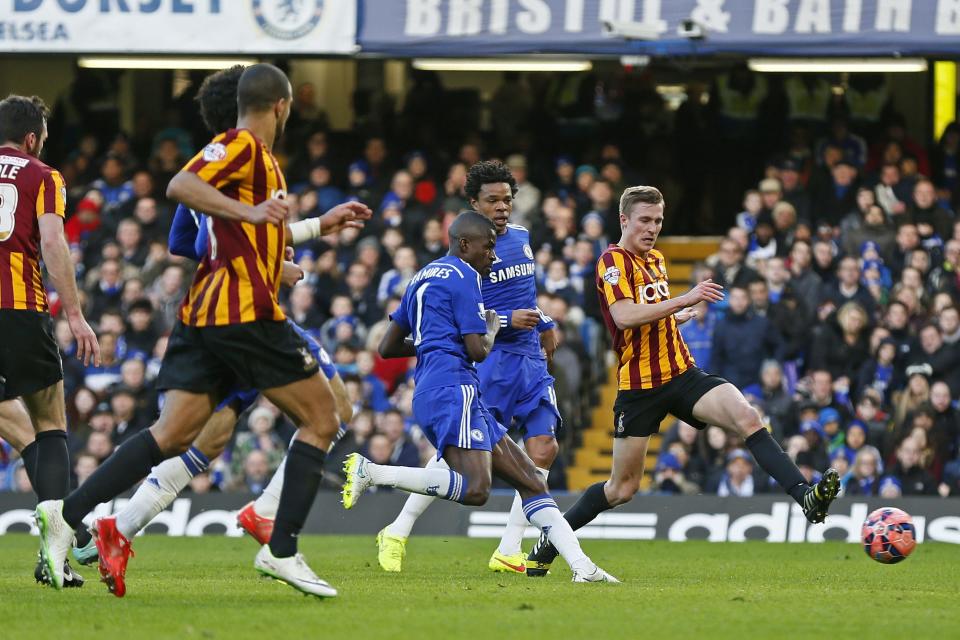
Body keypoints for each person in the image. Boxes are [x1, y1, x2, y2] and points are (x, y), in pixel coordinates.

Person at [35, 64, 366, 599]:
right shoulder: (242, 148)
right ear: (282, 105)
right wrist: (255, 216)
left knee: (174, 435)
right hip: (244, 314)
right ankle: (280, 549)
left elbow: (238, 231)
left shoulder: (253, 163)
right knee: (325, 416)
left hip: (205, 316)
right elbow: (180, 186)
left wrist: (316, 226)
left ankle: (66, 515)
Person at [525, 186, 840, 577]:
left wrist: (673, 319)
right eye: (645, 220)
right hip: (640, 387)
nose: (653, 228)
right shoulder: (611, 261)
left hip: (682, 373)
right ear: (624, 220)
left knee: (748, 417)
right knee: (621, 489)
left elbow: (648, 316)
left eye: (658, 221)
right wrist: (682, 301)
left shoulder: (655, 259)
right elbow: (623, 317)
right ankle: (552, 539)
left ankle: (805, 496)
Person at [343, 211, 616, 583]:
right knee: (476, 489)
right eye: (487, 248)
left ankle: (582, 568)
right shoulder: (466, 277)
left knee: (532, 480)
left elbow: (387, 347)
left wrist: (435, 342)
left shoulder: (422, 275)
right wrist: (493, 326)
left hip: (440, 386)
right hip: (457, 388)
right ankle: (374, 473)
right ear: (465, 243)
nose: (492, 255)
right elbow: (478, 349)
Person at [376, 161, 562, 575]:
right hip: (488, 358)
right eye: (492, 200)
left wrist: (543, 321)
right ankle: (398, 528)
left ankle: (508, 547)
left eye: (507, 200)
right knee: (460, 455)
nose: (502, 208)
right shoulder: (467, 250)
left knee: (544, 447)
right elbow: (460, 311)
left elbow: (525, 293)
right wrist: (506, 318)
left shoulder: (521, 238)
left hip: (527, 359)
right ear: (473, 203)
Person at [0, 94, 101, 588]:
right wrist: (77, 315)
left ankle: (65, 539)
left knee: (16, 427)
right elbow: (54, 241)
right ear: (33, 138)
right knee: (48, 423)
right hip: (20, 310)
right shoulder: (42, 175)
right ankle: (57, 550)